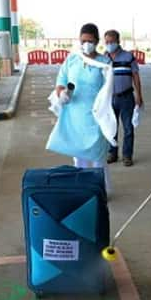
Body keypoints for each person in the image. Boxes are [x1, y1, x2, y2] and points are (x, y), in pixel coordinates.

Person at [48, 23, 115, 191]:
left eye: (90, 40)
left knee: (98, 158)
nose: (86, 44)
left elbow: (108, 90)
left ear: (97, 41)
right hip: (75, 116)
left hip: (96, 116)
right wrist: (61, 93)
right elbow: (61, 81)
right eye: (83, 40)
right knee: (79, 158)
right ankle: (84, 190)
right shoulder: (72, 60)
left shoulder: (105, 63)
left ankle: (100, 191)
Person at [104, 30, 144, 167]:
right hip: (109, 99)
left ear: (118, 41)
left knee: (128, 128)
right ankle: (112, 153)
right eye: (107, 42)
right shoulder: (104, 58)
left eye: (111, 41)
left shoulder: (128, 57)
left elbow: (136, 77)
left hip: (127, 97)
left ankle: (127, 155)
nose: (109, 44)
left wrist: (139, 95)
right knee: (111, 127)